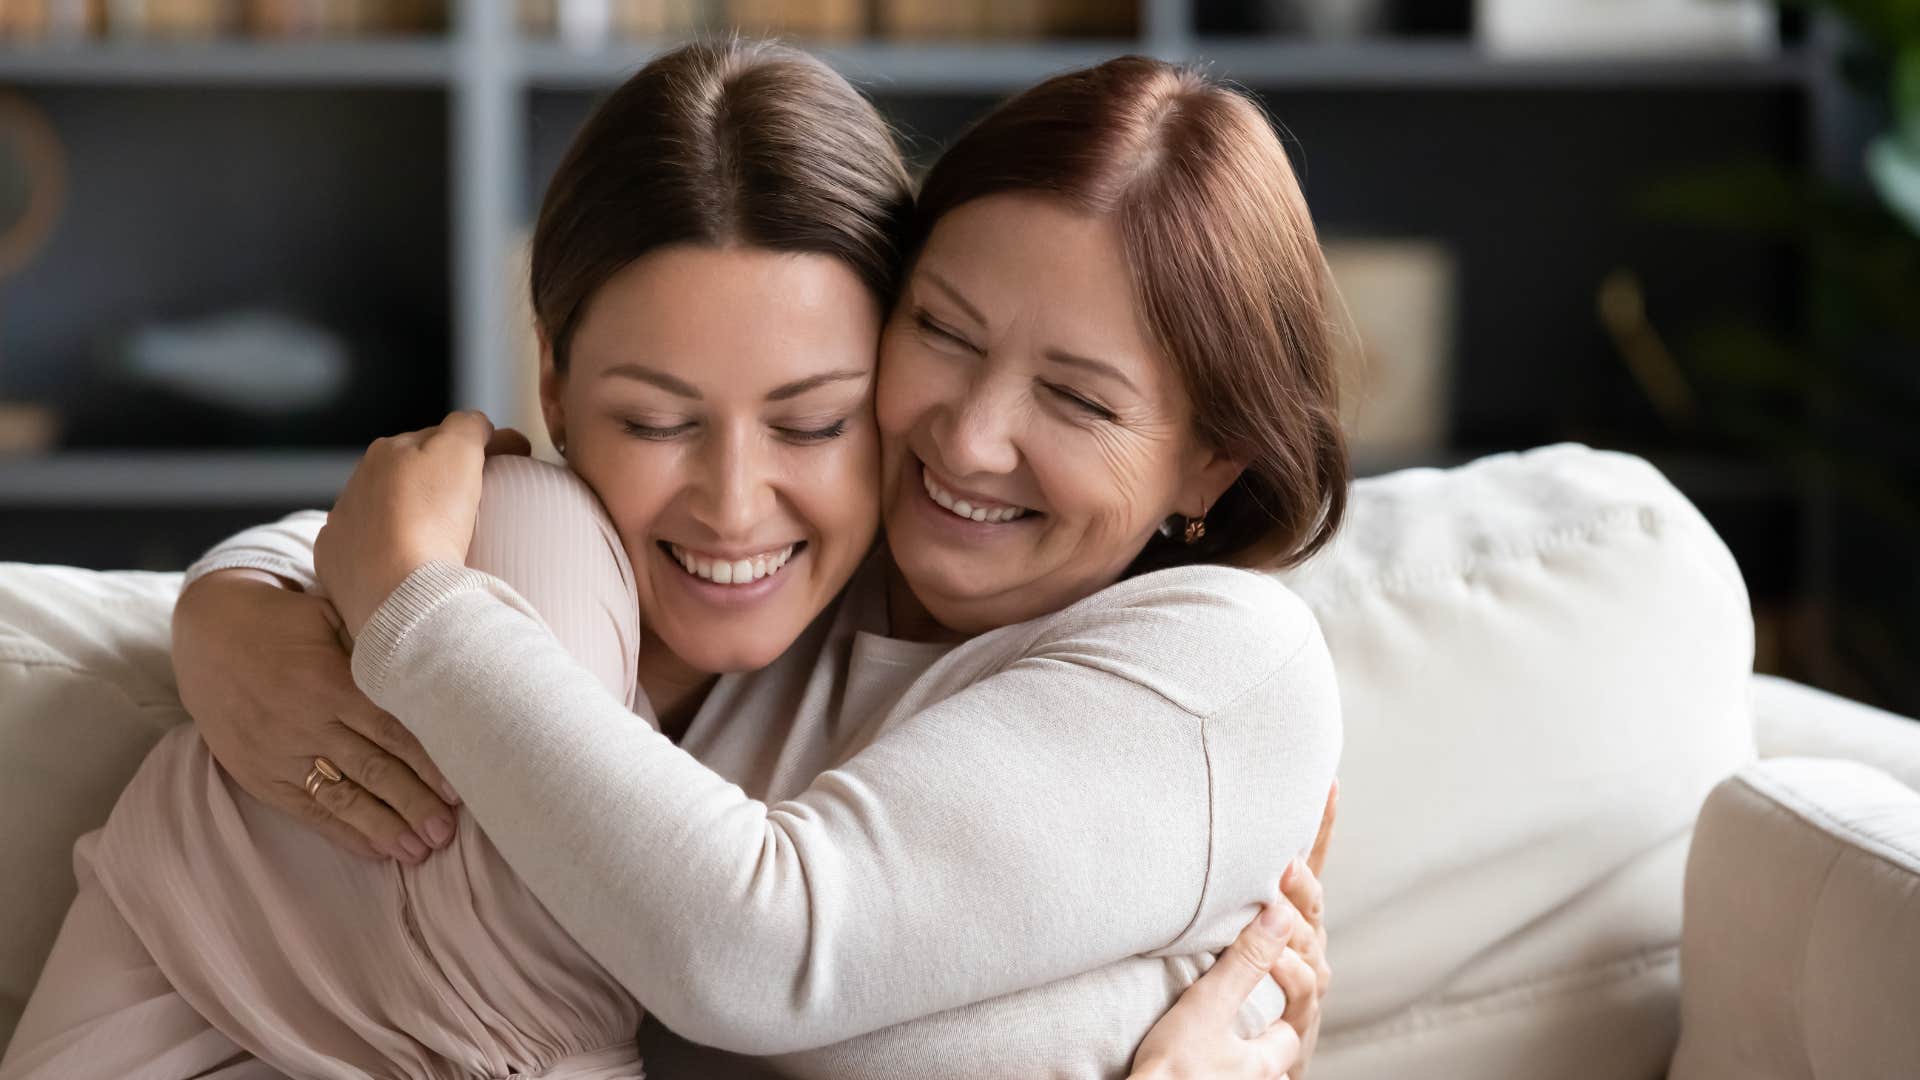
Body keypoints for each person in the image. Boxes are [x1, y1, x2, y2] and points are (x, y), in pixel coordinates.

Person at [2, 43, 1341, 1080]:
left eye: (812, 418)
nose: (970, 436)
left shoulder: (1210, 670)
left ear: (1213, 461)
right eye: (943, 332)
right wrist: (237, 602)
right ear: (559, 387)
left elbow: (775, 979)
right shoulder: (671, 570)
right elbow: (433, 528)